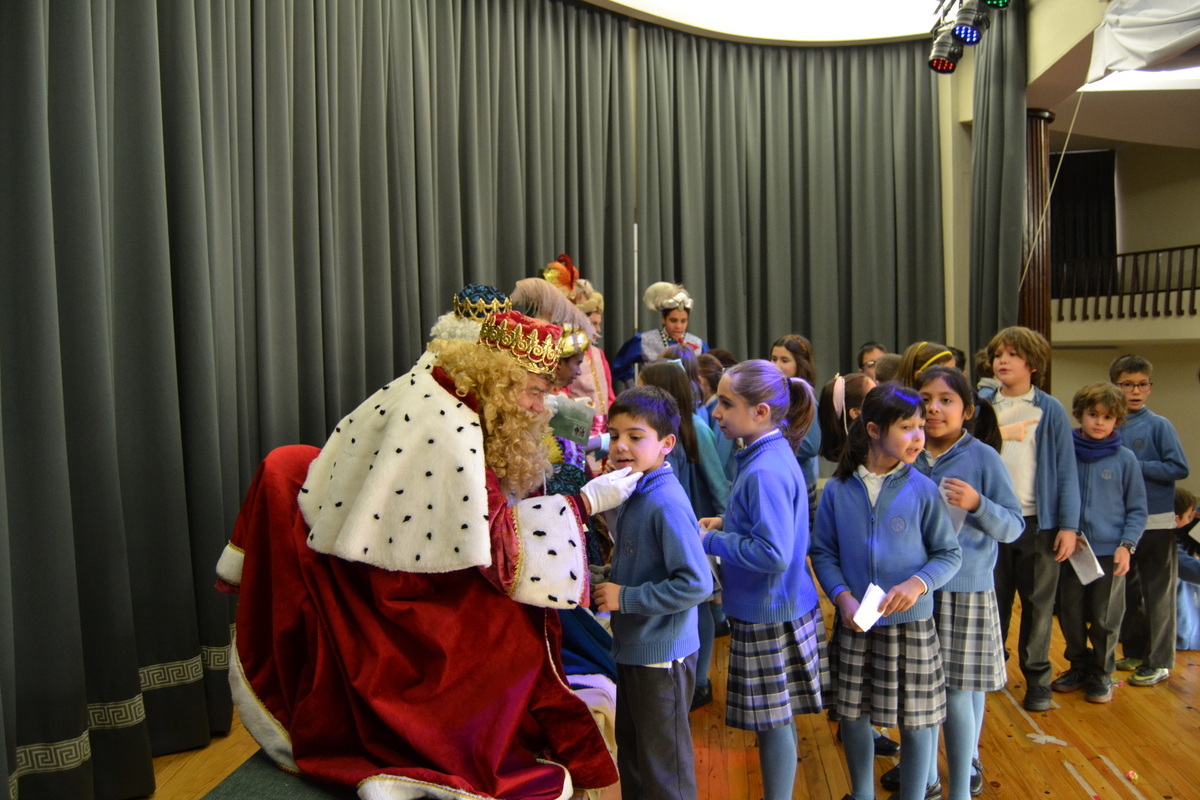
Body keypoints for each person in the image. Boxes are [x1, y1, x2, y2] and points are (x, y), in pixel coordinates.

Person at [219, 309, 645, 800]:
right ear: (500, 382)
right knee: (508, 629)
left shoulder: (445, 386)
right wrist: (586, 502)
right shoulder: (450, 432)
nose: (540, 407)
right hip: (393, 596)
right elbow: (504, 557)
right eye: (533, 392)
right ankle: (460, 743)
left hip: (378, 564)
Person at [811, 383, 961, 800]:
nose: (919, 436)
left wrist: (918, 583)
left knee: (918, 720)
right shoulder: (837, 489)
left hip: (912, 627)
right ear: (874, 430)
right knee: (853, 714)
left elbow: (949, 554)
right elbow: (823, 552)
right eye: (907, 427)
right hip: (857, 624)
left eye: (920, 427)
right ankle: (861, 793)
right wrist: (841, 596)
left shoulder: (923, 489)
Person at [699, 360, 824, 800]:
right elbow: (767, 525)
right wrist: (727, 522)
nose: (716, 413)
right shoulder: (767, 452)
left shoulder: (763, 469)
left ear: (761, 411)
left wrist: (712, 541)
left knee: (773, 726)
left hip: (770, 610)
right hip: (778, 604)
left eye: (726, 404)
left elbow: (773, 553)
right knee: (776, 723)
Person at [904, 367, 1022, 799]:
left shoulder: (983, 458)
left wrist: (978, 504)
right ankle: (924, 775)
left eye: (946, 400)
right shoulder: (906, 451)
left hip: (965, 590)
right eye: (925, 399)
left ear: (968, 411)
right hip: (915, 589)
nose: (934, 408)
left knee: (959, 688)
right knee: (919, 689)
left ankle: (964, 770)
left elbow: (1013, 527)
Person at [592, 386, 713, 800]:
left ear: (666, 443)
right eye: (614, 435)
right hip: (635, 649)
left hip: (663, 659)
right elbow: (641, 564)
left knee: (665, 774)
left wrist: (624, 598)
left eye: (635, 436)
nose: (621, 446)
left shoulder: (665, 502)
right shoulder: (635, 489)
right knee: (635, 760)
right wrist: (598, 576)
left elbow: (696, 583)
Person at [979, 326, 1080, 712]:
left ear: (1032, 364)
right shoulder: (982, 404)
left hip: (1038, 524)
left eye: (1012, 355)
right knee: (993, 602)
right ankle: (991, 668)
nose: (1002, 361)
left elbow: (1066, 470)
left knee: (1038, 606)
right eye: (998, 355)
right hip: (990, 521)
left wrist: (1068, 526)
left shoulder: (1050, 409)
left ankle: (1037, 679)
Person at [638, 360, 730, 711]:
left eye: (644, 387)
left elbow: (718, 486)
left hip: (695, 532)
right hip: (669, 532)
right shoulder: (659, 433)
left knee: (700, 605)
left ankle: (700, 682)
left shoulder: (697, 429)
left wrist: (720, 526)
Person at [1052, 382, 1147, 705]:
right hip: (1071, 550)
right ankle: (1078, 666)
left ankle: (1102, 673)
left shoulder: (1126, 459)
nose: (1099, 422)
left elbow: (1137, 509)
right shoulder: (1064, 453)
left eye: (1107, 417)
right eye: (1093, 415)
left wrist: (1127, 545)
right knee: (1070, 613)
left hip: (1110, 552)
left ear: (1117, 420)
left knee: (1106, 618)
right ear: (1080, 414)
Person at [1110, 354, 1191, 686]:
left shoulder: (1159, 425)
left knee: (1158, 595)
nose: (1135, 391)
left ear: (1150, 388)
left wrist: (1136, 465)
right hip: (1119, 524)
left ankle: (1159, 661)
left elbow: (1179, 467)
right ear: (1115, 386)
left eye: (1142, 384)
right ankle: (1135, 652)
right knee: (1129, 593)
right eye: (1128, 384)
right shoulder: (1110, 424)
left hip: (1156, 523)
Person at [612, 282, 709, 388]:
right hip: (653, 396)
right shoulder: (645, 340)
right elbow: (620, 366)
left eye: (683, 321)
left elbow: (709, 374)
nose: (678, 326)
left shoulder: (698, 345)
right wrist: (633, 388)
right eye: (673, 320)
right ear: (663, 319)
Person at [769, 334, 822, 529]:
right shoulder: (776, 393)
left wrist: (772, 444)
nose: (777, 365)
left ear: (800, 365)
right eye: (774, 359)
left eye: (784, 360)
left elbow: (811, 445)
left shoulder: (805, 399)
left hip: (800, 480)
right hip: (781, 477)